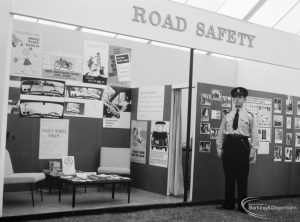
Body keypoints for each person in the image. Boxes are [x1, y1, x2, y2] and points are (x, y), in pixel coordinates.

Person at [216, 87, 259, 214]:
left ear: (245, 99)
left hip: (242, 146)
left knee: (242, 177)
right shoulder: (228, 115)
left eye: (240, 97)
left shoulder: (249, 116)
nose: (237, 99)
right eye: (235, 97)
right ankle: (228, 204)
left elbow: (254, 134)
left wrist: (253, 151)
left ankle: (242, 206)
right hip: (229, 146)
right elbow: (221, 134)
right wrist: (219, 148)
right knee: (229, 176)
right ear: (233, 99)